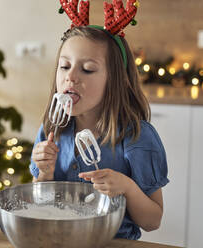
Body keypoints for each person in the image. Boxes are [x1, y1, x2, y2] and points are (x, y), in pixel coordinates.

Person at [29, 25, 169, 240]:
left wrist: (127, 188)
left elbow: (152, 221)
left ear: (117, 80)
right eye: (64, 66)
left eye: (87, 69)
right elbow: (39, 204)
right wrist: (45, 175)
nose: (71, 77)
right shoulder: (51, 129)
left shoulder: (138, 137)